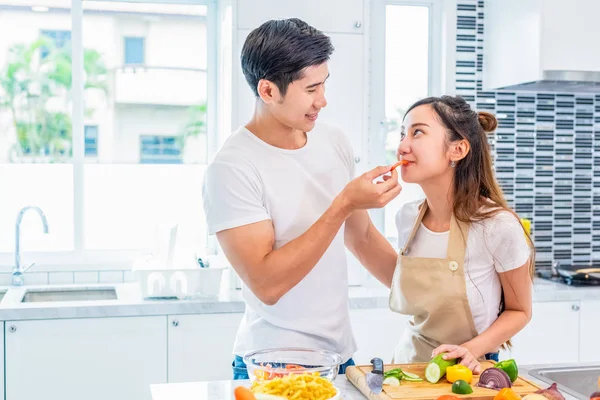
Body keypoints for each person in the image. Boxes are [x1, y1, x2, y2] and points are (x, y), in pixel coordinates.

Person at [201, 18, 401, 380]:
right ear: (268, 91)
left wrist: (432, 299)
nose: (322, 101)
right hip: (272, 364)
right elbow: (267, 284)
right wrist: (343, 203)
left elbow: (362, 238)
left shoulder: (333, 140)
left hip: (338, 357)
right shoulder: (232, 168)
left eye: (324, 85)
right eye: (311, 89)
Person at [382, 95, 535, 373]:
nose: (402, 146)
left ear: (458, 149)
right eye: (403, 134)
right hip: (407, 369)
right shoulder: (407, 218)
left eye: (417, 133)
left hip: (469, 373)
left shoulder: (497, 226)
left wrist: (470, 350)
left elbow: (520, 311)